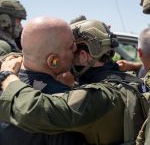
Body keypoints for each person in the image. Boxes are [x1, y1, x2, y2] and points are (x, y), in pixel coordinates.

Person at [0, 19, 149, 145]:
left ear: (84, 56)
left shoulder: (99, 96)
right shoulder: (129, 81)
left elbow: (37, 109)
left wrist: (7, 76)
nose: (72, 54)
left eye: (73, 49)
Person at [0, 16, 89, 145]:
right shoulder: (61, 102)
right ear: (53, 61)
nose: (76, 49)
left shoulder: (5, 79)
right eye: (70, 47)